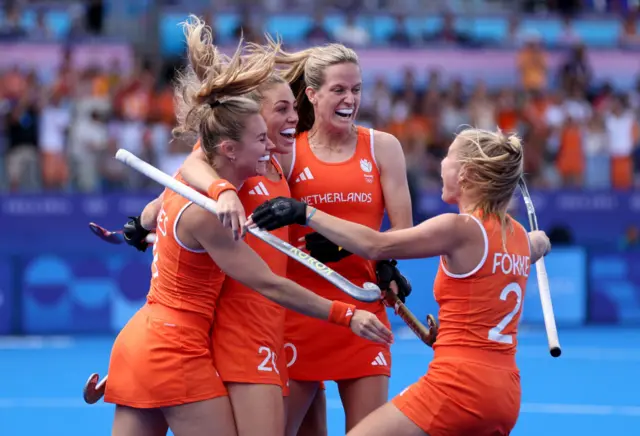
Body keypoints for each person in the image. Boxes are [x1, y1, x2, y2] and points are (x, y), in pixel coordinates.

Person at [104, 16, 392, 436]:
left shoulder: (273, 159)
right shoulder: (237, 164)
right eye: (283, 110)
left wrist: (145, 221)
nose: (296, 119)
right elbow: (192, 168)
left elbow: (171, 198)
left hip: (270, 330)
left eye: (295, 107)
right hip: (240, 337)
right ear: (248, 124)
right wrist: (222, 191)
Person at [177, 41, 415, 435]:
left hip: (363, 309)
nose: (350, 99)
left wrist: (377, 259)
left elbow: (402, 234)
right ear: (313, 94)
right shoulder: (288, 149)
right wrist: (212, 194)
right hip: (300, 314)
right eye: (339, 89)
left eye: (356, 89)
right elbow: (198, 160)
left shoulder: (383, 147)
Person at [250, 128, 552, 436]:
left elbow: (376, 245)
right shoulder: (518, 238)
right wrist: (540, 239)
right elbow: (540, 243)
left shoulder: (459, 228)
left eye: (447, 157)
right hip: (506, 392)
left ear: (465, 173)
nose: (440, 164)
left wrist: (305, 212)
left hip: (458, 385)